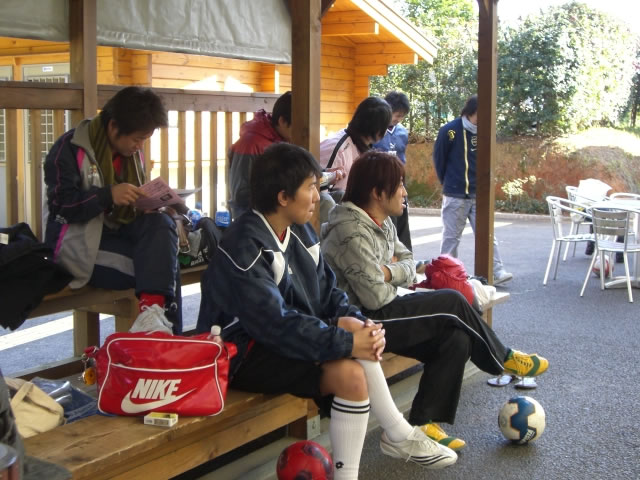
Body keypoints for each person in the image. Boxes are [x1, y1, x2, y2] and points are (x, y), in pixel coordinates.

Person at [197, 143, 457, 479]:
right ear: (283, 197)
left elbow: (330, 292)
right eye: (310, 187)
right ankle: (397, 433)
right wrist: (346, 341)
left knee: (354, 354)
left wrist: (359, 325)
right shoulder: (245, 243)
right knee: (350, 365)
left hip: (285, 337)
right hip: (239, 353)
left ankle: (392, 438)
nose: (317, 196)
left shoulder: (300, 229)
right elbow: (273, 325)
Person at [321, 151, 549, 451]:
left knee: (456, 337)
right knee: (452, 300)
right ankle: (501, 358)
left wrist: (387, 271)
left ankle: (424, 423)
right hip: (359, 320)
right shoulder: (349, 229)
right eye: (399, 185)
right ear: (377, 193)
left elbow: (409, 260)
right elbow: (374, 296)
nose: (404, 192)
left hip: (385, 306)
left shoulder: (382, 221)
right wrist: (395, 273)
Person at [43, 86, 181, 333]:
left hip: (119, 235)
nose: (139, 146)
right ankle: (161, 337)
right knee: (162, 270)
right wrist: (107, 195)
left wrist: (149, 205)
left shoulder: (131, 155)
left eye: (144, 140)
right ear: (114, 126)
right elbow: (60, 207)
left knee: (161, 225)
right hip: (80, 247)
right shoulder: (70, 149)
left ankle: (156, 327)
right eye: (137, 139)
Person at [433, 94, 513, 285]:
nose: (483, 119)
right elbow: (439, 160)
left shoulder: (485, 132)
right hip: (455, 195)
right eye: (480, 115)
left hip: (479, 194)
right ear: (470, 112)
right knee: (451, 238)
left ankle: (496, 272)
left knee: (487, 235)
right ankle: (447, 275)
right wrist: (450, 183)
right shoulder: (449, 131)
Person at [317, 96, 391, 224]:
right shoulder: (337, 148)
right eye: (386, 127)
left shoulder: (364, 148)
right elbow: (320, 194)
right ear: (378, 129)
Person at [227, 91, 292, 220]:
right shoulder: (250, 143)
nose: (304, 130)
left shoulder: (284, 139)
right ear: (283, 121)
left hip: (278, 208)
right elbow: (240, 194)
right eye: (300, 125)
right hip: (251, 217)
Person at [373, 91, 412, 251]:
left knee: (402, 219)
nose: (398, 119)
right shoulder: (375, 130)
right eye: (397, 114)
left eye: (402, 116)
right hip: (380, 184)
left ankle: (406, 255)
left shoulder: (402, 132)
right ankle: (390, 255)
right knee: (387, 223)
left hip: (399, 182)